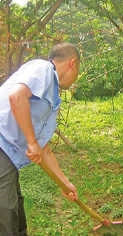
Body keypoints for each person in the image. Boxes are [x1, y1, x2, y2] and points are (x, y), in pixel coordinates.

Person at [0, 42, 80, 235]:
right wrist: (32, 142)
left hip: (8, 158)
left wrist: (64, 182)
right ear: (73, 63)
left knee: (16, 216)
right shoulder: (42, 68)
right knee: (5, 217)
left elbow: (43, 148)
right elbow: (17, 96)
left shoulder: (52, 97)